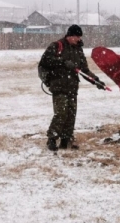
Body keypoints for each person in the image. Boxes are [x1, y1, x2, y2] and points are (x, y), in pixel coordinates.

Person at [38, 24, 105, 152]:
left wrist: (95, 81)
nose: (78, 39)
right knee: (61, 113)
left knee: (71, 114)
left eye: (79, 37)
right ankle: (52, 139)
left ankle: (66, 140)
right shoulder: (57, 46)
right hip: (58, 85)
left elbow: (83, 70)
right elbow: (45, 61)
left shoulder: (78, 50)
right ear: (69, 36)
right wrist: (62, 62)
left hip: (72, 87)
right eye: (76, 37)